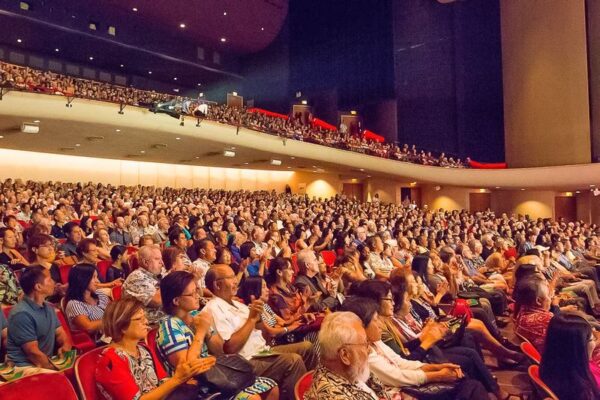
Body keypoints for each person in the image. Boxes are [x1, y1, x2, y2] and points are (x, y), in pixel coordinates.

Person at [156, 271, 279, 400]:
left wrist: (208, 334)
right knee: (253, 398)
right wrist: (201, 332)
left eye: (197, 290)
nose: (198, 296)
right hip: (196, 388)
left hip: (214, 375)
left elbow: (220, 350)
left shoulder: (195, 316)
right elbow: (186, 370)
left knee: (271, 387)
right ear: (176, 300)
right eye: (192, 293)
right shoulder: (170, 326)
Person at [203, 264, 317, 400]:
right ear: (217, 285)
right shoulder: (213, 309)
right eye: (231, 277)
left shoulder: (239, 305)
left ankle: (313, 392)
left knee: (307, 347)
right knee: (292, 361)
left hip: (263, 351)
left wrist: (258, 319)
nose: (236, 281)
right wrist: (251, 320)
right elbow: (230, 349)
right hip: (244, 361)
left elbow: (267, 336)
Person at [341, 296, 489, 400]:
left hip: (410, 375)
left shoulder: (375, 341)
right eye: (375, 321)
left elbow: (399, 361)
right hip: (402, 389)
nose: (380, 324)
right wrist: (437, 373)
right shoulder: (363, 351)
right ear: (361, 327)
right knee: (468, 383)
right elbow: (398, 376)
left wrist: (435, 367)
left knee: (465, 371)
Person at [96, 298, 214, 400]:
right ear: (121, 326)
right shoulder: (111, 360)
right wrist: (177, 379)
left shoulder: (142, 349)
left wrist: (183, 379)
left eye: (144, 317)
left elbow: (159, 382)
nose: (146, 322)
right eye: (139, 319)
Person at [306, 311, 391, 400]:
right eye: (365, 344)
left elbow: (382, 392)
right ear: (345, 355)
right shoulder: (332, 395)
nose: (369, 350)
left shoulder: (352, 371)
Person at [6, 266, 72, 376]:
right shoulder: (21, 314)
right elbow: (33, 353)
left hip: (43, 362)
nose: (54, 282)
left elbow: (60, 333)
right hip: (24, 367)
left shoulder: (48, 307)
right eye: (50, 279)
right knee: (64, 378)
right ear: (38, 286)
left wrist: (65, 346)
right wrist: (56, 370)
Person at [540, 313, 600, 400]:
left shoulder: (555, 365)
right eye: (592, 339)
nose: (594, 343)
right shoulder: (583, 390)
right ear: (579, 347)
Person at [122, 245, 165, 326]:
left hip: (164, 320)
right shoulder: (137, 278)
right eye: (157, 259)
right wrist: (171, 279)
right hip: (148, 325)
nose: (162, 263)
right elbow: (157, 301)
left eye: (161, 259)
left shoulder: (155, 275)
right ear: (145, 262)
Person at [64, 263, 110, 338]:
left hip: (110, 334)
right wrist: (112, 320)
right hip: (96, 342)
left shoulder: (100, 295)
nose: (98, 281)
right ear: (82, 279)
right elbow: (88, 327)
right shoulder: (74, 304)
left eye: (97, 277)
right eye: (93, 277)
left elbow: (114, 311)